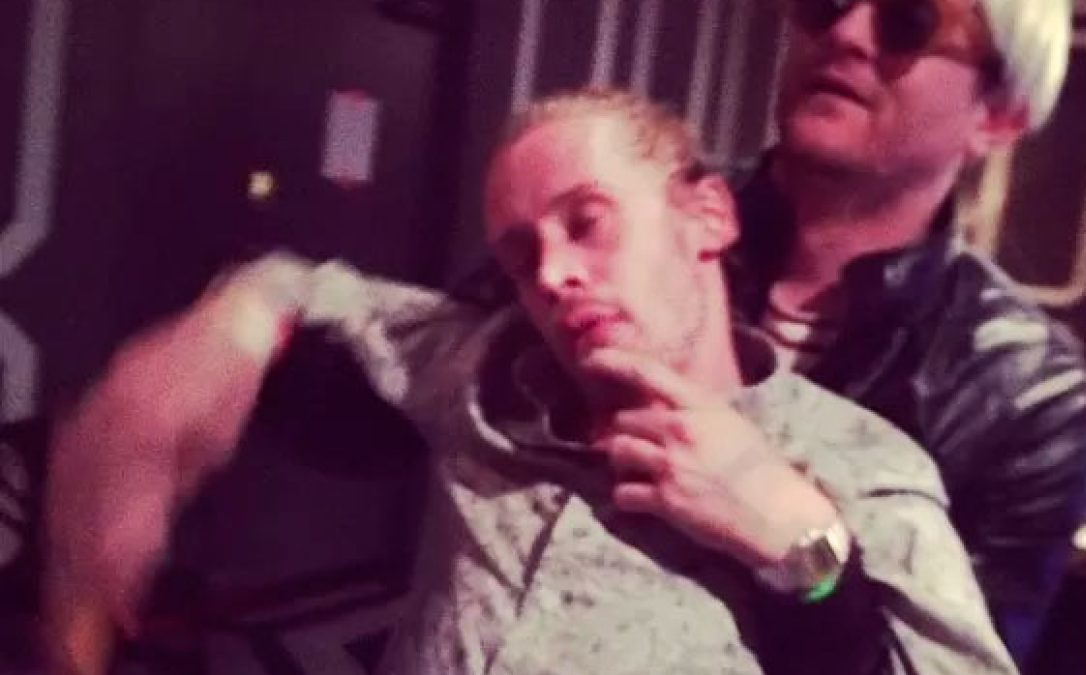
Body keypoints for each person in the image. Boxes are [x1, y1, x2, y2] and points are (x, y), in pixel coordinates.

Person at [44, 90, 1013, 675]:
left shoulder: (861, 466)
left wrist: (799, 550)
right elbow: (320, 291)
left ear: (708, 216)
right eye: (520, 254)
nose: (551, 274)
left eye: (587, 223)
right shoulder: (485, 369)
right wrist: (235, 319)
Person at [733, 0, 1086, 660]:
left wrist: (803, 555)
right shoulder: (632, 233)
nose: (846, 33)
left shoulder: (1032, 398)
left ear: (998, 116)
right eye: (827, 2)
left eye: (907, 21)